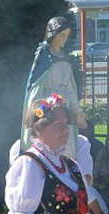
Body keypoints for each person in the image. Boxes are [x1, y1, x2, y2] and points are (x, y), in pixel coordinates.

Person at [22, 16, 86, 159]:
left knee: (66, 144)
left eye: (66, 36)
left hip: (64, 105)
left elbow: (69, 88)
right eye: (61, 35)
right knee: (48, 142)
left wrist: (77, 110)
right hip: (47, 105)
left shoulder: (63, 56)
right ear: (53, 34)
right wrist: (33, 113)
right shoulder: (44, 54)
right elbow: (35, 86)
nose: (64, 39)